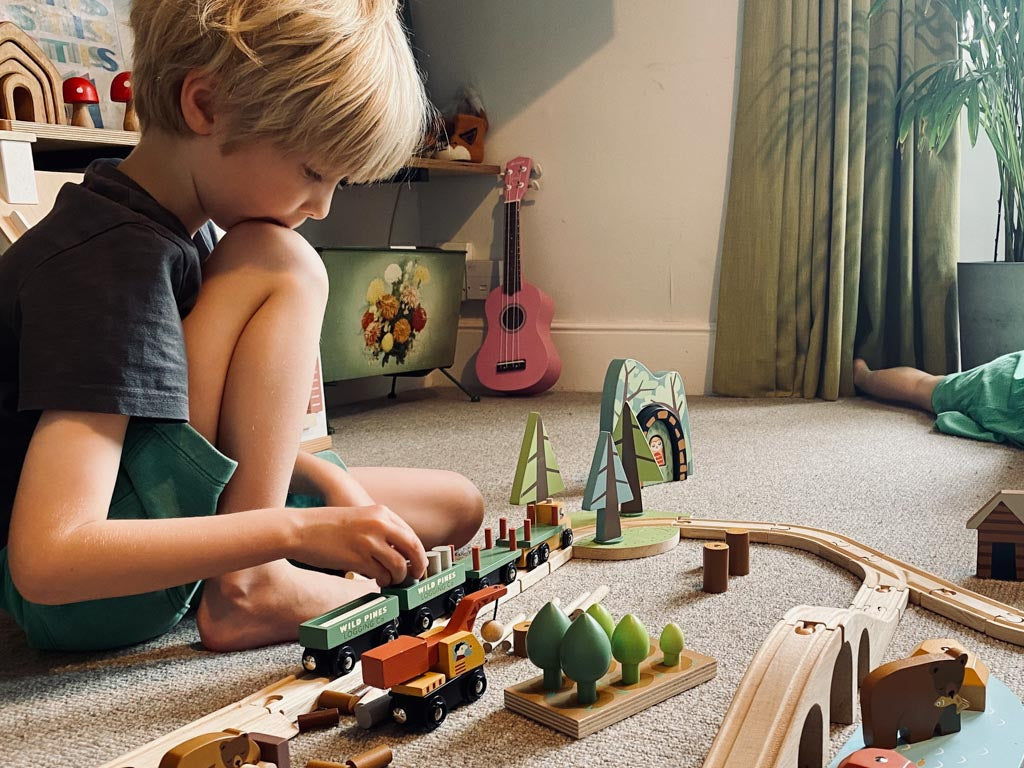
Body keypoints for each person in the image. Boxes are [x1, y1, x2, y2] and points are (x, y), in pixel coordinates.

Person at [0, 0, 484, 653]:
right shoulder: (107, 268)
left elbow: (205, 428)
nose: (320, 206)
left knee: (455, 507)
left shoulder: (180, 230)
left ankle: (250, 564)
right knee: (285, 263)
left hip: (169, 503)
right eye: (314, 173)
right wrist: (285, 532)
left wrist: (332, 491)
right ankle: (250, 584)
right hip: (86, 600)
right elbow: (49, 559)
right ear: (205, 105)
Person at [853, 354, 1024, 447]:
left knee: (925, 385)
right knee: (923, 387)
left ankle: (864, 376)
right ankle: (863, 377)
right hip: (1005, 387)